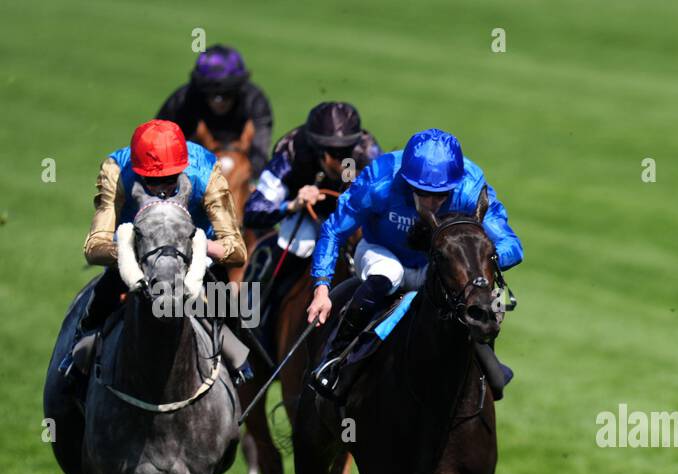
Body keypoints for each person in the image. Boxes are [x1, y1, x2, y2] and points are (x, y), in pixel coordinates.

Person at [304, 128, 522, 401]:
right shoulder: (380, 180)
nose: (431, 202)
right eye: (422, 192)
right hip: (380, 251)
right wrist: (322, 288)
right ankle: (334, 357)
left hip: (436, 266)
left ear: (455, 185)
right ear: (406, 180)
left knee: (466, 292)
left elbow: (511, 245)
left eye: (441, 194)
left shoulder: (471, 188)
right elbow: (334, 230)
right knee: (389, 274)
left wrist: (479, 263)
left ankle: (487, 365)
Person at [59, 120, 247, 393]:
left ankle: (238, 374)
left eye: (170, 180)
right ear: (136, 171)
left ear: (184, 170)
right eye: (151, 181)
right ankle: (79, 355)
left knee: (232, 311)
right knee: (99, 302)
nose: (161, 190)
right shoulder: (116, 170)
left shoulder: (206, 171)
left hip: (193, 259)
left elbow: (236, 249)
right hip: (135, 259)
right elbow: (93, 246)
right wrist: (132, 252)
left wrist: (197, 246)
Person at [243, 102, 381, 294]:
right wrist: (292, 205)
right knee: (298, 246)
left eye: (347, 150)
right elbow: (252, 211)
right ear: (320, 151)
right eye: (336, 153)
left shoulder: (365, 151)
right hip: (305, 218)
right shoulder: (290, 152)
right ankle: (261, 310)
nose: (344, 160)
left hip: (351, 219)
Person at [157, 44, 273, 174]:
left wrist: (253, 174)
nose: (219, 102)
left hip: (239, 170)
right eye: (211, 94)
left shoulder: (255, 101)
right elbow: (159, 144)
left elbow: (259, 151)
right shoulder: (182, 101)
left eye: (227, 94)